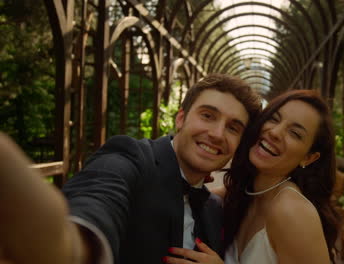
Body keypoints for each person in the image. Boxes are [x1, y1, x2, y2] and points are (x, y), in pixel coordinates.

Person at [0, 73, 262, 264]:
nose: (217, 134)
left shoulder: (212, 210)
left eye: (233, 128)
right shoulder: (129, 157)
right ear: (180, 118)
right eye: (207, 115)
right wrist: (71, 243)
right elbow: (96, 201)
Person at [167, 90, 340, 263]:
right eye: (274, 119)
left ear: (308, 157)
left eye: (294, 133)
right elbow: (191, 194)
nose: (275, 132)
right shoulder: (244, 192)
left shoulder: (292, 211)